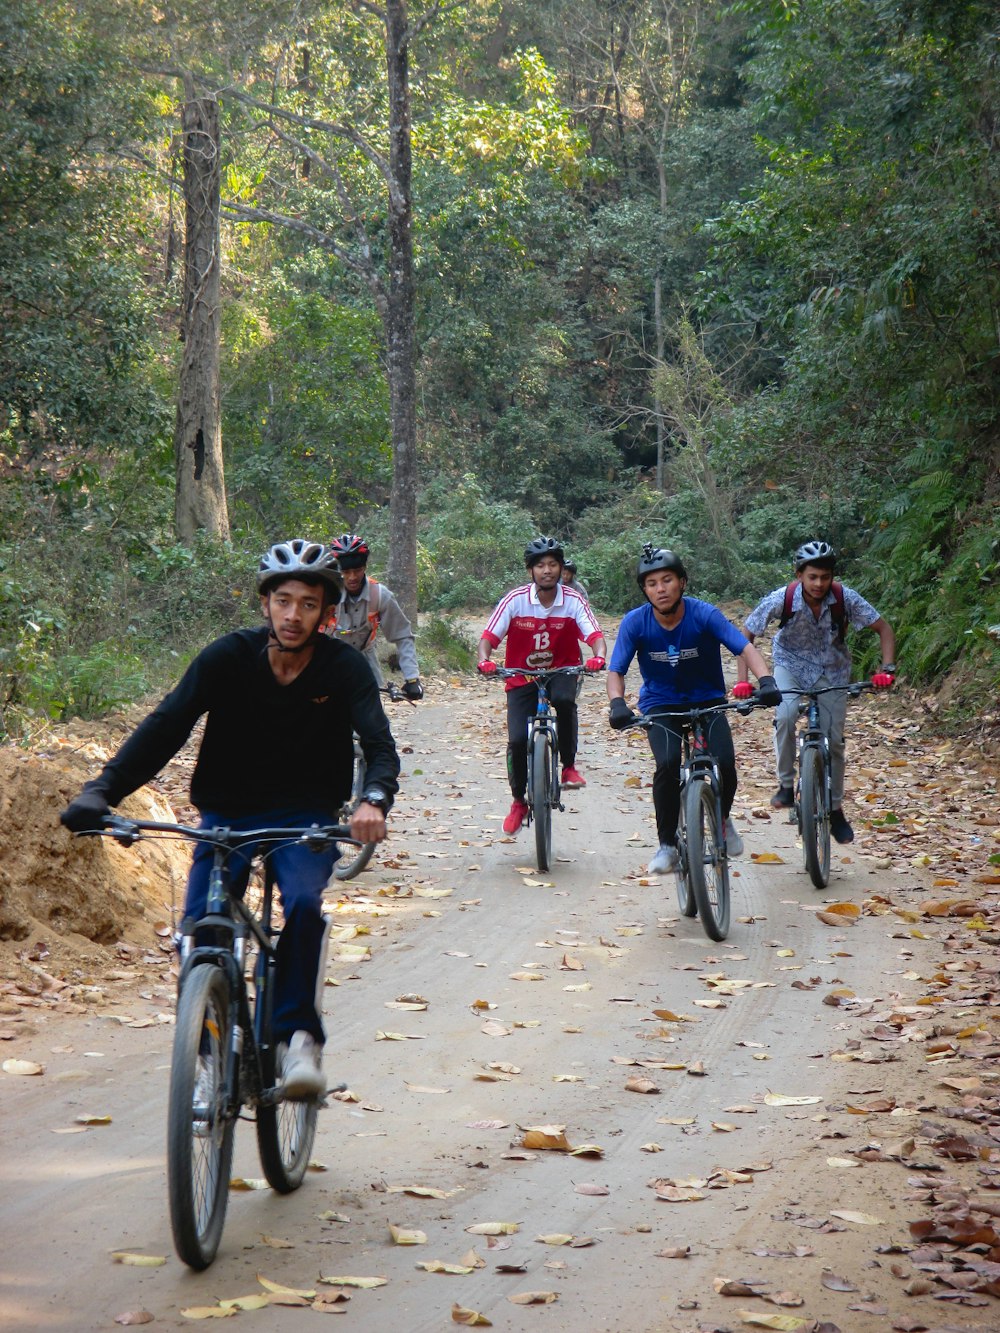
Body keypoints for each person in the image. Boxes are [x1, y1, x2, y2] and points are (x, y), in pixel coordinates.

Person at [60, 539, 400, 1099]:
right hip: (227, 810)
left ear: (325, 612)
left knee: (303, 902)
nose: (294, 615)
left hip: (306, 814)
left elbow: (379, 745)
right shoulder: (226, 658)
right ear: (265, 603)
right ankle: (208, 1052)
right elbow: (166, 727)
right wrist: (103, 791)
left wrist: (374, 800)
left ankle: (298, 1040)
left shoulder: (344, 668)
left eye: (308, 604)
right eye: (284, 600)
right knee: (203, 930)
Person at [607, 544, 781, 875]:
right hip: (661, 705)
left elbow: (743, 647)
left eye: (668, 580)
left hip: (708, 700)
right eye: (652, 583)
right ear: (644, 589)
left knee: (725, 764)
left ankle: (723, 819)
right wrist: (617, 703)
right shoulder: (635, 622)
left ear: (682, 582)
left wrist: (767, 681)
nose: (661, 589)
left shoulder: (704, 614)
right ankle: (668, 846)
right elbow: (616, 670)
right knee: (669, 764)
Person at [737, 539, 896, 844]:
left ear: (832, 576)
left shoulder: (844, 598)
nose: (819, 583)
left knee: (834, 742)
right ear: (799, 575)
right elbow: (746, 634)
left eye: (825, 577)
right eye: (812, 576)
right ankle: (785, 784)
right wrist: (744, 681)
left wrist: (886, 669)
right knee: (784, 716)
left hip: (832, 671)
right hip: (789, 666)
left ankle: (835, 809)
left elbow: (884, 629)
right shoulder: (780, 599)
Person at [478, 536, 607, 834]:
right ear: (530, 571)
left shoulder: (573, 601)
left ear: (561, 569)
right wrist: (485, 660)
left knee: (564, 701)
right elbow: (488, 639)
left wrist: (598, 656)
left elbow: (594, 634)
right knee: (517, 741)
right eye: (540, 565)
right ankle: (518, 802)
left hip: (562, 670)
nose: (547, 570)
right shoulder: (515, 600)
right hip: (520, 675)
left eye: (552, 564)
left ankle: (569, 766)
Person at [326, 533, 423, 700]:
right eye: (346, 571)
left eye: (357, 570)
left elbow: (402, 635)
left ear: (365, 567)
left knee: (373, 718)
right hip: (330, 659)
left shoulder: (379, 595)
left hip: (365, 658)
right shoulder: (327, 595)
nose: (352, 577)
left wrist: (412, 678)